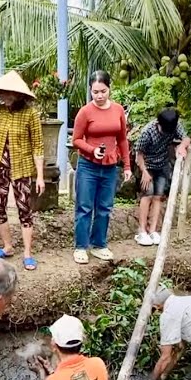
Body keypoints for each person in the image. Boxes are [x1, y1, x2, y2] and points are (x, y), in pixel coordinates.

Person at [0, 71, 45, 271]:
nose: (4, 97)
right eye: (1, 93)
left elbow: (38, 146)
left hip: (22, 168)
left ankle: (28, 253)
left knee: (25, 209)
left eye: (8, 94)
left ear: (19, 94)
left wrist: (39, 176)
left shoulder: (30, 114)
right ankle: (7, 246)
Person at [71, 70, 132, 264]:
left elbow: (122, 139)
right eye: (95, 92)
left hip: (110, 166)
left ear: (109, 89)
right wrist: (92, 150)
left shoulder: (118, 110)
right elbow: (76, 140)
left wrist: (127, 165)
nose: (99, 96)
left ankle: (99, 244)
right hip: (88, 165)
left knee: (105, 207)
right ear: (90, 90)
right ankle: (81, 246)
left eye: (103, 91)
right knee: (84, 206)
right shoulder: (85, 112)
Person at [133, 108, 190, 246]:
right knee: (147, 195)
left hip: (162, 165)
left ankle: (153, 230)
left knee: (158, 196)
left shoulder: (174, 125)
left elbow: (186, 138)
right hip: (147, 165)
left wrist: (182, 146)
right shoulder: (148, 132)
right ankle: (142, 231)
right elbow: (138, 154)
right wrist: (145, 172)